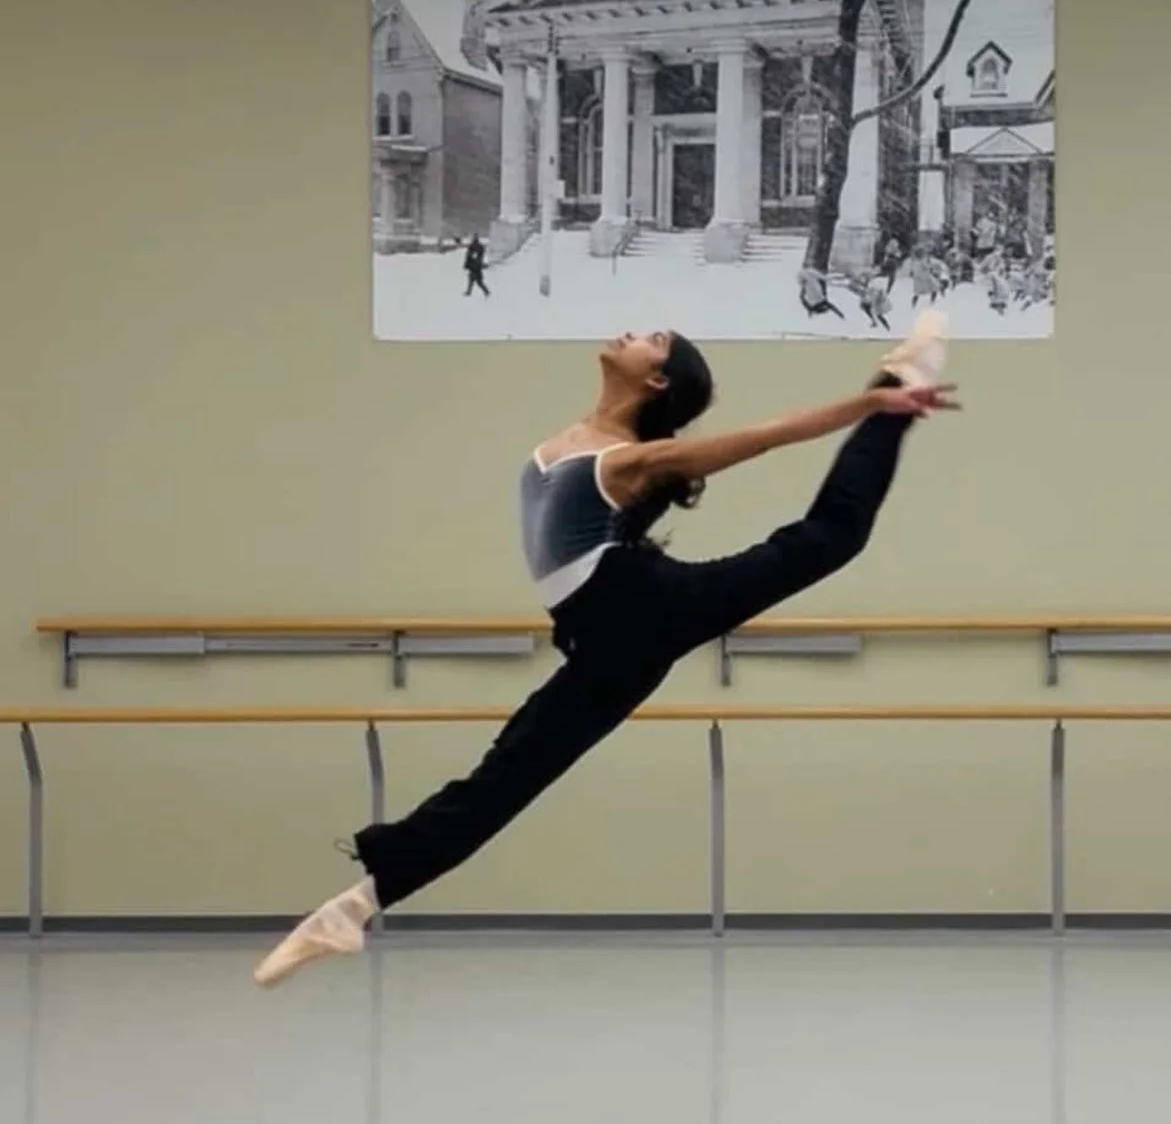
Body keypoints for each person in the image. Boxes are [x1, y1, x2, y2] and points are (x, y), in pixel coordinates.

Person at [254, 314, 955, 986]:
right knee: (508, 773)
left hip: (642, 608)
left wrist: (873, 401)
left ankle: (899, 383)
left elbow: (766, 437)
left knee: (826, 538)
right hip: (603, 637)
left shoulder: (626, 461)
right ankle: (353, 908)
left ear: (657, 379)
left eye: (655, 339)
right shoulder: (581, 441)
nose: (636, 333)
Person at [463, 233, 490, 297]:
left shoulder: (472, 247)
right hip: (477, 267)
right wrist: (481, 264)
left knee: (475, 281)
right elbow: (480, 256)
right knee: (475, 280)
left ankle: (485, 292)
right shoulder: (480, 247)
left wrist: (466, 264)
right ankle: (470, 292)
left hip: (473, 266)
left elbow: (468, 256)